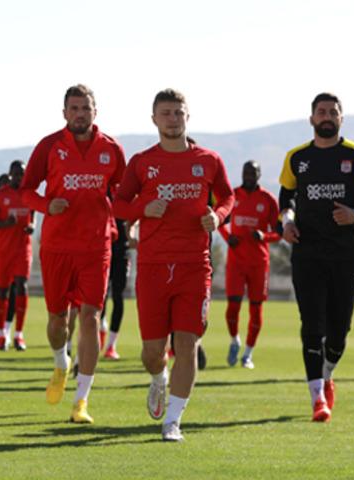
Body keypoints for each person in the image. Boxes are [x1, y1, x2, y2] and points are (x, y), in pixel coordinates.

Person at [114, 88, 234, 442]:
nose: (172, 119)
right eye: (165, 113)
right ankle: (157, 378)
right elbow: (118, 205)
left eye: (178, 113)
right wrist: (141, 209)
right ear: (154, 119)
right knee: (153, 352)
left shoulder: (209, 160)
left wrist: (219, 215)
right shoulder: (141, 162)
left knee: (187, 343)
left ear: (187, 116)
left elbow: (227, 197)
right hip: (152, 266)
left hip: (194, 266)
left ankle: (173, 421)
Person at [279, 92, 354, 423]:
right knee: (311, 325)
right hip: (307, 254)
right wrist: (286, 223)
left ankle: (328, 375)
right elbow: (285, 199)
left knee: (339, 331)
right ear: (311, 119)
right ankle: (317, 398)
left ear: (341, 118)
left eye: (333, 111)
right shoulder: (296, 158)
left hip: (345, 256)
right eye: (321, 112)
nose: (327, 116)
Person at [20, 84, 125, 424]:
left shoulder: (111, 149)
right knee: (57, 320)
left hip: (97, 246)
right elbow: (25, 192)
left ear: (95, 111)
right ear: (65, 113)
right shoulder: (49, 146)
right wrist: (46, 205)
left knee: (91, 317)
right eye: (74, 108)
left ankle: (81, 401)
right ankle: (60, 363)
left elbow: (123, 195)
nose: (80, 114)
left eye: (86, 108)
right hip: (56, 247)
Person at [218, 161, 280, 369]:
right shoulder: (233, 195)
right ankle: (234, 340)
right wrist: (228, 236)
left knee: (256, 309)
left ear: (259, 174)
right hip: (236, 261)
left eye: (253, 173)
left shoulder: (268, 200)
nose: (249, 176)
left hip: (258, 263)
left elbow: (278, 232)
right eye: (246, 172)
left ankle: (248, 354)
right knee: (233, 306)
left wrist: (264, 236)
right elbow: (219, 220)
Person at [0, 160, 35, 351]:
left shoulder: (29, 194)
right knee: (2, 291)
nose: (19, 178)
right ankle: (1, 332)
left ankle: (19, 334)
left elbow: (34, 214)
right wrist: (5, 223)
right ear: (10, 175)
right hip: (3, 250)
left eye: (22, 174)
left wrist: (32, 226)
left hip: (22, 249)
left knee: (22, 286)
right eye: (16, 174)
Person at [101, 218, 136, 360]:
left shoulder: (128, 195)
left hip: (122, 252)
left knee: (117, 296)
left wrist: (131, 235)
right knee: (100, 295)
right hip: (103, 248)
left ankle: (111, 345)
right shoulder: (105, 195)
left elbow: (134, 218)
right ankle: (100, 330)